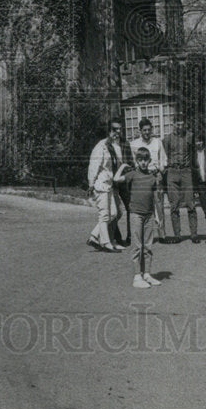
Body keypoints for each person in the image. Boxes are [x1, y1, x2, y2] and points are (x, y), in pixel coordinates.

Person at [114, 147, 163, 289]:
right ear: (137, 161)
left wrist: (158, 216)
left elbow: (155, 198)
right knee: (137, 246)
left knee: (148, 246)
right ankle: (137, 276)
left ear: (149, 161)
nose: (143, 163)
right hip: (136, 214)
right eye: (140, 160)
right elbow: (116, 179)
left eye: (145, 160)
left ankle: (147, 273)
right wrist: (123, 166)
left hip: (149, 215)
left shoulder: (152, 178)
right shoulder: (132, 174)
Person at [86, 121, 126, 253]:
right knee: (104, 215)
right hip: (100, 184)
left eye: (119, 130)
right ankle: (106, 242)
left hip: (110, 185)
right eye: (114, 130)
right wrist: (91, 184)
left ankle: (93, 236)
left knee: (114, 213)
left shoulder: (115, 147)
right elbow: (93, 166)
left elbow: (118, 164)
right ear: (108, 131)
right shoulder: (101, 146)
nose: (117, 133)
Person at [130, 118, 168, 242]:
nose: (147, 132)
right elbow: (132, 162)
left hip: (155, 175)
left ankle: (162, 234)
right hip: (141, 178)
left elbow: (163, 159)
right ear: (140, 131)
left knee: (159, 205)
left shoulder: (157, 142)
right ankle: (143, 236)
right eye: (144, 130)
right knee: (143, 206)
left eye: (149, 129)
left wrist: (160, 169)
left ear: (151, 129)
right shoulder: (134, 144)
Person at [163, 114, 198, 243]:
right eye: (178, 124)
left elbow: (193, 154)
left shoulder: (190, 136)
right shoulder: (167, 139)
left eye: (182, 124)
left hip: (186, 171)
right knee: (174, 205)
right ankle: (177, 235)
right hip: (172, 171)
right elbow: (164, 155)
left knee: (191, 203)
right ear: (173, 124)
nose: (180, 126)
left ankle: (194, 234)